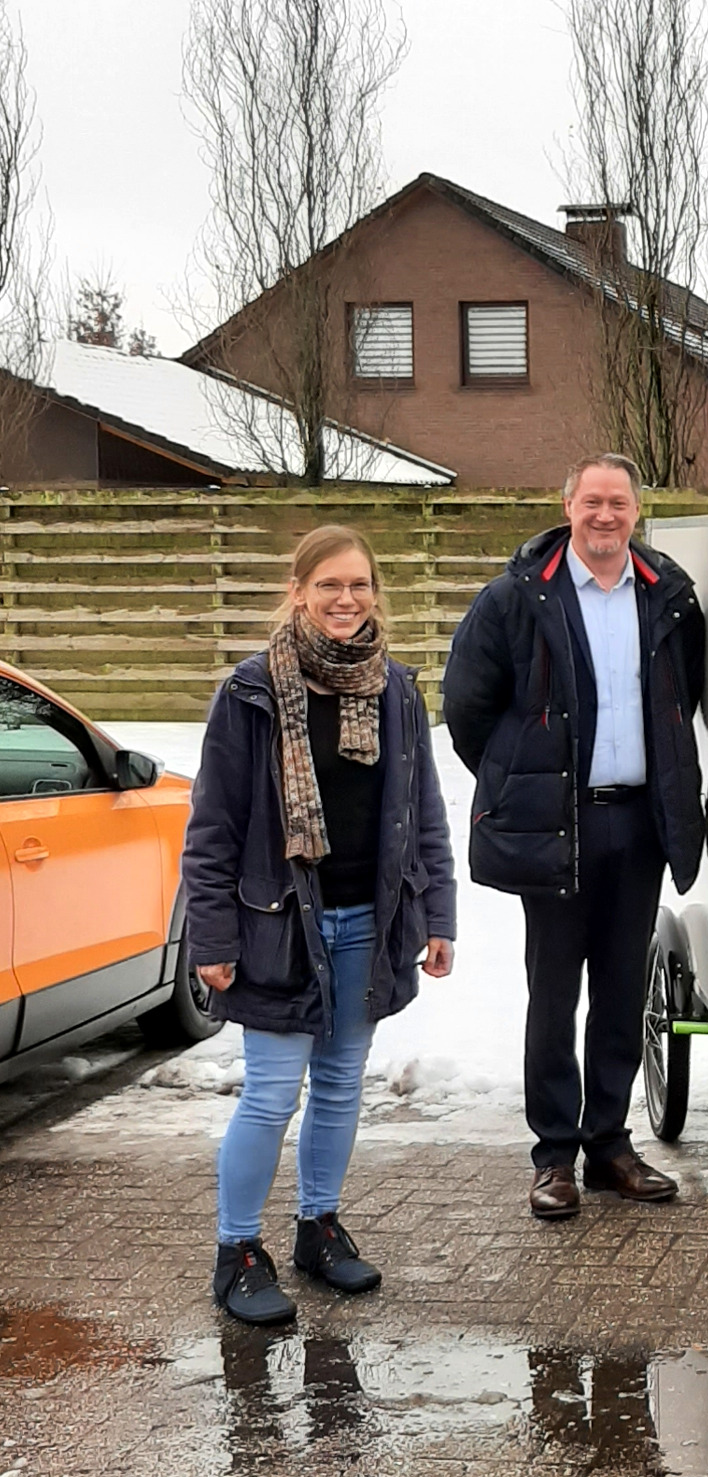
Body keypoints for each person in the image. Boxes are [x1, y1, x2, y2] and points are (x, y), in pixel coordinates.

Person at [184, 525, 457, 1326]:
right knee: (271, 1095)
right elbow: (212, 830)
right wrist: (212, 939)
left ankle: (318, 1227)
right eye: (329, 586)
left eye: (360, 585)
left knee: (339, 1086)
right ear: (299, 591)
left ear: (376, 594)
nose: (346, 600)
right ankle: (236, 1251)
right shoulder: (251, 693)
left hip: (369, 924)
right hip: (276, 930)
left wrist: (436, 914)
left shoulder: (396, 689)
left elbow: (424, 817)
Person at [443, 453, 706, 1221]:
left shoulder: (668, 599)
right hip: (557, 825)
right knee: (555, 995)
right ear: (567, 506)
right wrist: (524, 774)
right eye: (591, 501)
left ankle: (610, 1147)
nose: (604, 516)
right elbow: (467, 705)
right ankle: (554, 1155)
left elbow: (681, 698)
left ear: (635, 512)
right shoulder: (517, 599)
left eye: (617, 503)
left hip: (639, 822)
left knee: (623, 991)